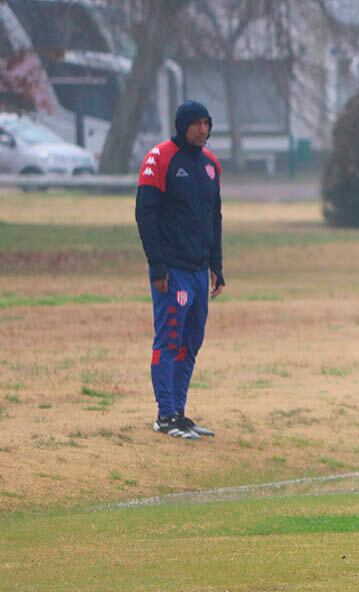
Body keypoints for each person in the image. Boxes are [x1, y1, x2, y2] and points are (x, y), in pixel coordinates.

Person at [136, 99, 224, 440]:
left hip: (199, 269)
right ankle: (165, 414)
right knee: (169, 338)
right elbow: (145, 214)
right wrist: (156, 264)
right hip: (171, 270)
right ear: (182, 125)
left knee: (192, 341)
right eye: (197, 123)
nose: (204, 130)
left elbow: (214, 217)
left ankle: (180, 413)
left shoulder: (211, 164)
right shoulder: (160, 158)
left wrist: (216, 264)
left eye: (207, 123)